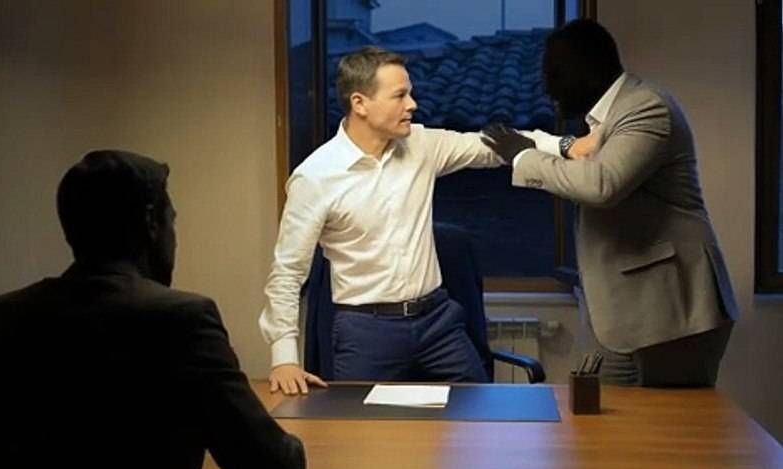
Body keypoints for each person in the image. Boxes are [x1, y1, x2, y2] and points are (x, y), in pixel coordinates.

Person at [0, 150, 306, 469]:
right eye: (172, 221)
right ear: (151, 224)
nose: (174, 238)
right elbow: (273, 465)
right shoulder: (182, 320)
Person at [481, 19, 738, 387]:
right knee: (601, 415)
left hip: (674, 312)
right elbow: (587, 151)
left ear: (588, 70)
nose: (547, 86)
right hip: (627, 316)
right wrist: (549, 144)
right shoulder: (613, 115)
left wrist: (523, 156)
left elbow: (602, 184)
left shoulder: (646, 107)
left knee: (671, 420)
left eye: (555, 73)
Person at [260, 46, 508, 395]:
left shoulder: (421, 145)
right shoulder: (315, 177)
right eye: (400, 95)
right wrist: (283, 358)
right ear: (360, 103)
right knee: (355, 426)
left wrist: (565, 146)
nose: (412, 105)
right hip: (366, 330)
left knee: (484, 413)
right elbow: (288, 271)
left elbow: (491, 147)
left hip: (437, 322)